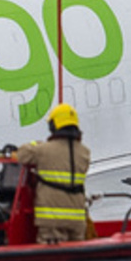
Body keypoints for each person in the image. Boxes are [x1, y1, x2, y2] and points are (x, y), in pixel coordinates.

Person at [17, 103, 92, 244]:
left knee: (53, 258)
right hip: (77, 219)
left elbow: (22, 154)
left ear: (53, 126)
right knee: (77, 256)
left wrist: (35, 144)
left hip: (52, 220)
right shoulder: (85, 153)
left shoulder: (42, 150)